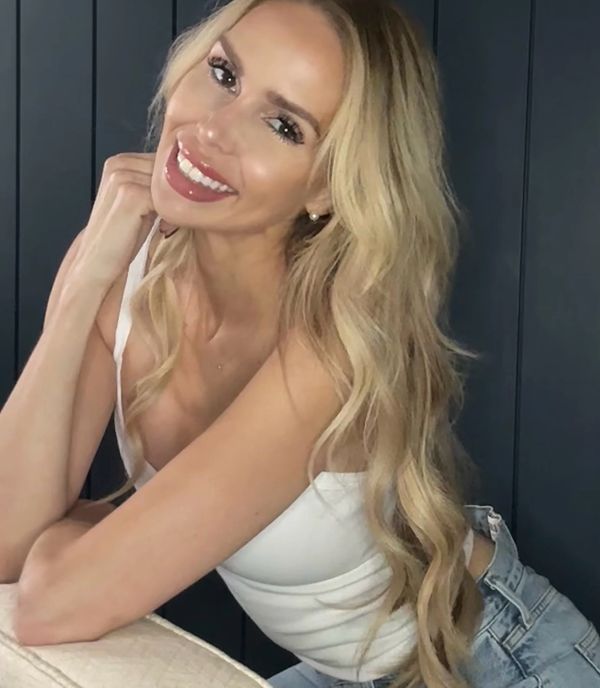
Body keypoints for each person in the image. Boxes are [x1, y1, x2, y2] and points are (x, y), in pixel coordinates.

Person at [1, 1, 598, 687]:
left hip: (498, 660)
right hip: (346, 672)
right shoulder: (118, 261)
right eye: (223, 73)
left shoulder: (328, 352)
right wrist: (81, 289)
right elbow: (6, 550)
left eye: (283, 125)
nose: (212, 130)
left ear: (327, 186)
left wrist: (67, 537)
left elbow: (50, 605)